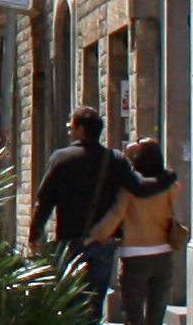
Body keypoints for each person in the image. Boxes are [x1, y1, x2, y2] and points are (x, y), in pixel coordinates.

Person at [100, 138, 185, 325]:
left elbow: (115, 214)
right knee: (156, 315)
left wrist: (96, 234)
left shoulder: (129, 189)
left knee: (133, 315)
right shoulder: (171, 186)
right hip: (163, 255)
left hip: (134, 255)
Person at [35, 107, 130, 299]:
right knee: (96, 298)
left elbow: (45, 200)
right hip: (103, 239)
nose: (69, 130)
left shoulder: (61, 158)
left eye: (72, 126)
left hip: (70, 239)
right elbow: (127, 197)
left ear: (81, 129)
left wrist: (35, 233)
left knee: (71, 301)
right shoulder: (116, 160)